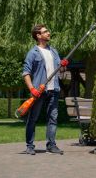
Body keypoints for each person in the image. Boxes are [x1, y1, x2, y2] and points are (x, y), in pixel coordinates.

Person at [22, 24, 68, 155]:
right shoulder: (33, 53)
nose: (48, 33)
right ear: (38, 35)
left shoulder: (53, 51)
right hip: (39, 91)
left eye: (48, 31)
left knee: (53, 118)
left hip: (54, 90)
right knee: (33, 118)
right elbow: (26, 73)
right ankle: (30, 146)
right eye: (45, 31)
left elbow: (61, 70)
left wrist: (64, 65)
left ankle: (51, 145)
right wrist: (32, 89)